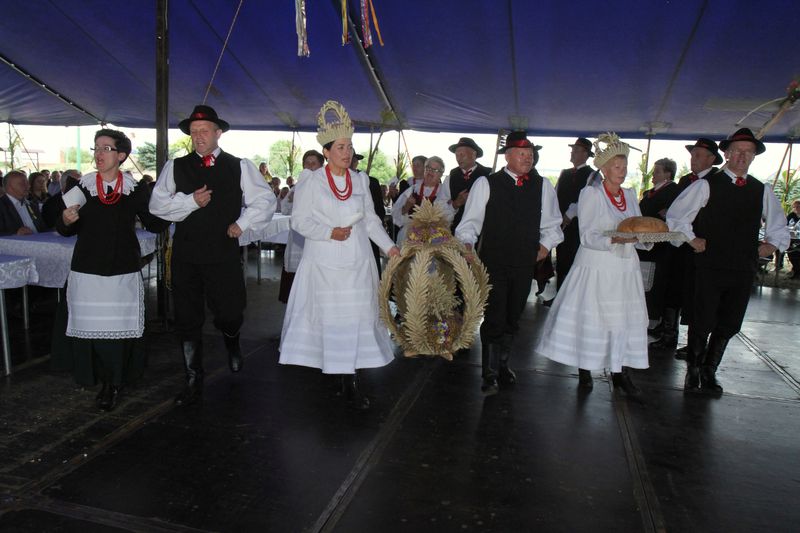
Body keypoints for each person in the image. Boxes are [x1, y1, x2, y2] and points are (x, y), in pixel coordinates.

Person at [150, 104, 275, 406]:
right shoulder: (175, 167)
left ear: (218, 133)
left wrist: (242, 223)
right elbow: (157, 206)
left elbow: (266, 200)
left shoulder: (239, 165)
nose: (198, 136)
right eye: (194, 132)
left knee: (230, 311)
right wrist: (190, 202)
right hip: (187, 254)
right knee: (187, 317)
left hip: (222, 252)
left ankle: (232, 342)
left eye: (204, 131)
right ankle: (193, 376)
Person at [279, 100, 400, 410]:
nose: (347, 152)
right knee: (331, 319)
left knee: (356, 319)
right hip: (324, 263)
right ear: (327, 152)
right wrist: (328, 231)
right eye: (342, 147)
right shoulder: (312, 181)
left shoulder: (360, 181)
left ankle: (350, 379)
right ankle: (334, 372)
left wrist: (390, 247)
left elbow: (371, 221)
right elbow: (299, 221)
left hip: (358, 262)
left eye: (350, 147)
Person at [667, 128, 790, 394]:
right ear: (727, 154)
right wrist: (691, 239)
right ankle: (694, 371)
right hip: (710, 264)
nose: (742, 157)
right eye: (737, 151)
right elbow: (677, 217)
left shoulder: (761, 189)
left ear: (754, 156)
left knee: (730, 322)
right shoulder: (706, 184)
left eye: (748, 152)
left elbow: (778, 226)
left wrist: (771, 243)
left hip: (743, 267)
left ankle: (710, 371)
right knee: (703, 319)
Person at [56, 129, 169, 411]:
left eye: (106, 149)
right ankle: (92, 376)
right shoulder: (82, 186)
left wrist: (177, 205)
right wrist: (66, 220)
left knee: (117, 330)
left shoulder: (133, 188)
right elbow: (63, 227)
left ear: (120, 156)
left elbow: (154, 222)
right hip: (87, 268)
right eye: (96, 148)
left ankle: (113, 382)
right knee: (90, 327)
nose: (98, 154)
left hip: (121, 270)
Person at [536, 133, 651, 397]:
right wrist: (620, 238)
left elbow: (637, 226)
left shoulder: (630, 194)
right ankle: (586, 370)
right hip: (597, 266)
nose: (622, 172)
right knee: (593, 318)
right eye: (617, 167)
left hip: (624, 269)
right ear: (604, 168)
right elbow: (588, 236)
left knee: (623, 320)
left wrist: (645, 238)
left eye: (624, 167)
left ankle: (621, 373)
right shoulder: (591, 194)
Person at [456, 131, 563, 395]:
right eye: (523, 154)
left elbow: (553, 224)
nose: (528, 159)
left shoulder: (543, 185)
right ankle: (489, 374)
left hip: (524, 263)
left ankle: (503, 365)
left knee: (513, 315)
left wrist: (544, 246)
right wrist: (467, 244)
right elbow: (469, 223)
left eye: (531, 155)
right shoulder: (487, 183)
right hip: (493, 262)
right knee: (494, 315)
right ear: (509, 156)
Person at [637, 158, 681, 346]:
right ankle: (647, 321)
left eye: (657, 171)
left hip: (662, 248)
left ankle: (657, 322)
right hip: (644, 246)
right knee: (645, 284)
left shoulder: (674, 192)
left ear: (667, 173)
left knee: (657, 285)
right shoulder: (649, 193)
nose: (653, 175)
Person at [278, 150, 324, 303]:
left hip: (318, 236)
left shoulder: (325, 186)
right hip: (298, 236)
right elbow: (284, 210)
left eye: (314, 163)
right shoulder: (297, 187)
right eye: (307, 163)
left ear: (321, 166)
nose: (310, 166)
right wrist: (290, 200)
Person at [554, 137, 595, 290]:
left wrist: (570, 214)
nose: (572, 153)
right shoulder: (564, 173)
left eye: (576, 150)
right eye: (572, 150)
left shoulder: (592, 175)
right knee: (561, 259)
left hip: (578, 225)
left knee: (573, 259)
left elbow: (589, 199)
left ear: (585, 154)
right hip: (561, 223)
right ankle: (559, 294)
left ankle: (570, 295)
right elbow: (555, 195)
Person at [437, 137, 492, 232]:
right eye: (457, 155)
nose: (459, 158)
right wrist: (455, 204)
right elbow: (439, 206)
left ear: (474, 154)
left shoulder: (488, 175)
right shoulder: (451, 177)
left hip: (481, 232)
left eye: (462, 154)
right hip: (453, 231)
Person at [392, 156, 445, 246]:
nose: (430, 172)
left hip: (435, 237)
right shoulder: (413, 189)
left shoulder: (444, 192)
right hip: (410, 235)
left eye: (435, 170)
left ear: (441, 174)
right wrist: (407, 206)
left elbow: (449, 216)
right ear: (425, 170)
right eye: (428, 168)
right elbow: (396, 214)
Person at [0, 170, 46, 235]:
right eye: (22, 184)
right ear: (9, 186)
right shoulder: (2, 206)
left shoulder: (32, 205)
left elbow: (42, 229)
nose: (28, 186)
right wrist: (15, 233)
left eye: (27, 183)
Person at [786, 200, 800, 278]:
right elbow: (785, 225)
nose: (797, 208)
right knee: (791, 251)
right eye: (795, 207)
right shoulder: (791, 215)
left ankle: (797, 270)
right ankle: (796, 270)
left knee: (796, 252)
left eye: (798, 206)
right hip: (792, 237)